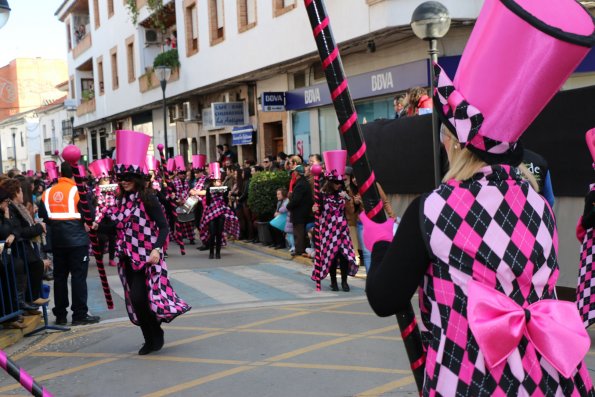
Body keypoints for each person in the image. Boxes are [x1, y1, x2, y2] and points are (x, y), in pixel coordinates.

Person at [363, 0, 594, 394]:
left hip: (469, 381)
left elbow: (384, 297)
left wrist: (381, 242)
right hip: (546, 380)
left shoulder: (432, 210)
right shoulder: (538, 205)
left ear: (453, 142)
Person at [106, 130, 190, 355]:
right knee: (135, 300)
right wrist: (93, 224)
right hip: (127, 256)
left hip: (149, 257)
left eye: (128, 178)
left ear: (137, 178)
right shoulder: (119, 200)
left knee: (145, 299)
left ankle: (156, 334)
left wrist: (156, 249)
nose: (123, 182)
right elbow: (111, 224)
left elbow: (163, 226)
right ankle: (149, 336)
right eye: (120, 178)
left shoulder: (149, 197)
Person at [38, 161, 99, 326]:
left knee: (60, 278)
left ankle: (61, 315)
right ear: (76, 173)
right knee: (78, 277)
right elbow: (90, 216)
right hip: (77, 241)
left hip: (57, 241)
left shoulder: (48, 192)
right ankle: (79, 314)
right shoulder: (79, 191)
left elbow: (44, 215)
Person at [312, 151, 357, 291]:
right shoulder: (322, 195)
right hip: (328, 229)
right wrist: (314, 209)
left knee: (344, 254)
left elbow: (352, 212)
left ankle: (344, 282)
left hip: (342, 229)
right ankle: (334, 282)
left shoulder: (344, 195)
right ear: (331, 183)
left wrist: (349, 200)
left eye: (340, 183)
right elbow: (317, 211)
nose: (339, 185)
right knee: (331, 255)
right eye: (336, 183)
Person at [199, 163, 240, 259]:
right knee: (212, 233)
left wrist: (225, 194)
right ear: (213, 182)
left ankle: (218, 253)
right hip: (211, 213)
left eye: (220, 180)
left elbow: (225, 202)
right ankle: (211, 252)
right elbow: (208, 203)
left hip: (221, 213)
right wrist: (209, 193)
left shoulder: (224, 189)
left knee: (219, 233)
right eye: (217, 181)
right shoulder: (209, 189)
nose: (219, 182)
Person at [286, 165, 313, 257]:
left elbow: (296, 200)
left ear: (297, 173)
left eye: (294, 172)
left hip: (299, 213)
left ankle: (299, 250)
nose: (293, 173)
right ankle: (302, 249)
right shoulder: (303, 183)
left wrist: (288, 206)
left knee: (299, 232)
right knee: (300, 232)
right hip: (303, 212)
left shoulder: (300, 184)